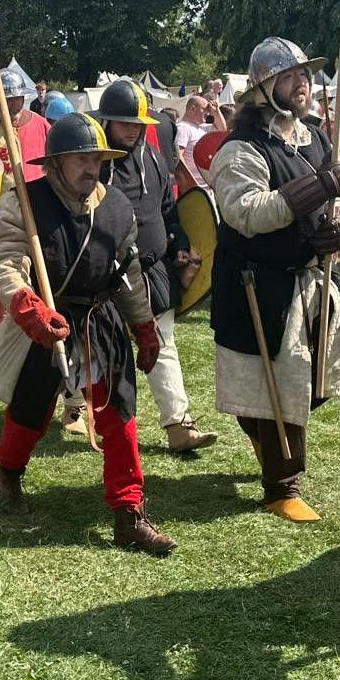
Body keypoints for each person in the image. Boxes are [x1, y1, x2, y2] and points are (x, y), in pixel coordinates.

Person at [0, 113, 175, 555]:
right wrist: (28, 306)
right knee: (31, 409)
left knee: (119, 412)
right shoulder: (22, 205)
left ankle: (129, 515)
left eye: (97, 159)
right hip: (44, 321)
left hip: (99, 322)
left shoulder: (117, 208)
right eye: (81, 159)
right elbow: (3, 263)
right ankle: (9, 474)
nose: (92, 168)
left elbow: (128, 273)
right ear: (55, 164)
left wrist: (143, 327)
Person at [207, 37, 340, 522]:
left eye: (305, 74)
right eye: (290, 76)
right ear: (263, 86)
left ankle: (267, 446)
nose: (303, 83)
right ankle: (282, 485)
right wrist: (317, 188)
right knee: (275, 385)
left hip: (310, 283)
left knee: (308, 387)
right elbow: (244, 212)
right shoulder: (241, 149)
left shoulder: (314, 138)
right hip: (260, 286)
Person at [94, 79, 216, 453]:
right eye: (124, 123)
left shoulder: (152, 156)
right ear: (107, 122)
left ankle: (178, 425)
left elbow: (167, 208)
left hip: (152, 269)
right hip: (106, 273)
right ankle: (76, 409)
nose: (132, 131)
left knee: (163, 344)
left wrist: (178, 241)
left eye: (137, 124)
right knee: (100, 350)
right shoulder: (94, 162)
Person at [174, 94, 227, 189]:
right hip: (195, 189)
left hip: (206, 187)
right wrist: (192, 184)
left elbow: (222, 130)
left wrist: (216, 111)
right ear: (193, 109)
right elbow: (178, 157)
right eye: (204, 109)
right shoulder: (183, 128)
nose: (207, 113)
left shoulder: (203, 128)